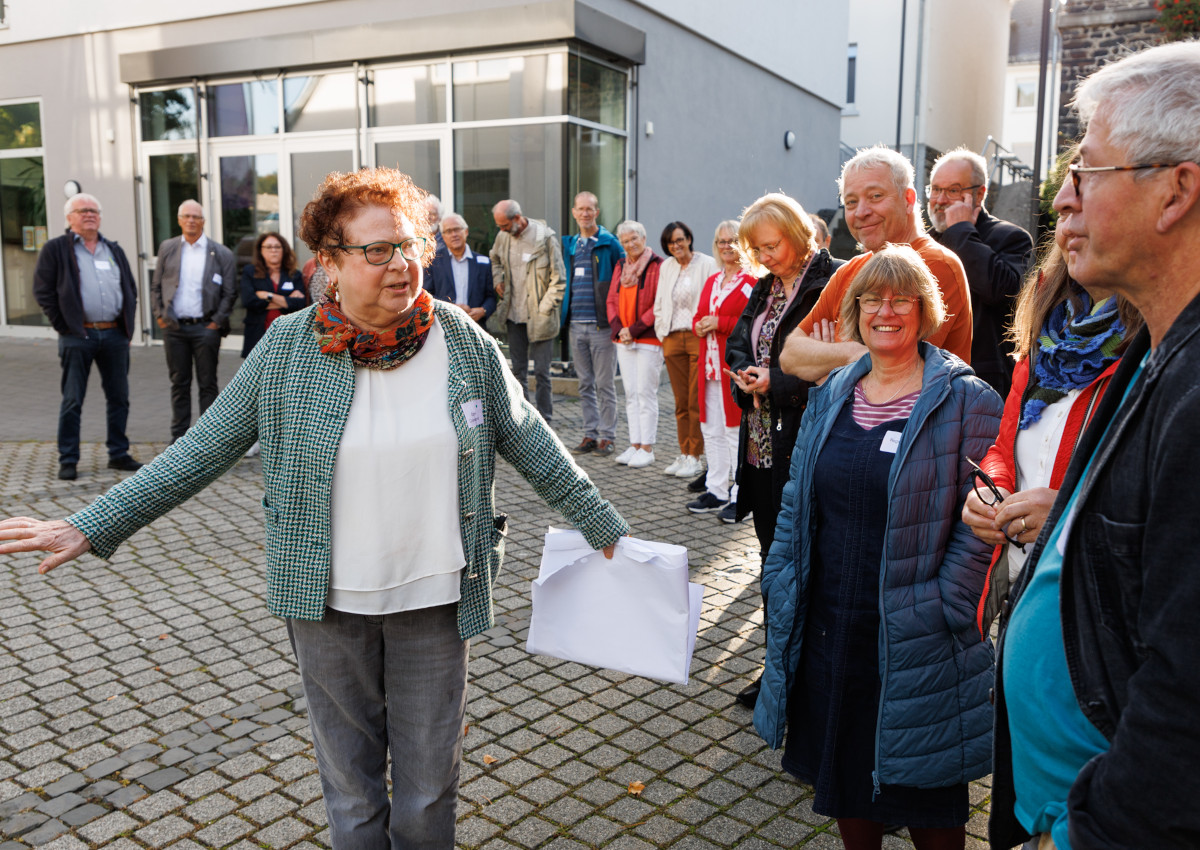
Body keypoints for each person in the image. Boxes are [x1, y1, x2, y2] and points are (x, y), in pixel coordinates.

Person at [0, 167, 629, 850]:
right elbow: (200, 451)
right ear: (328, 262)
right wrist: (91, 523)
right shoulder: (288, 348)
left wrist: (602, 524)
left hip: (437, 601)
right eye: (377, 250)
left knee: (427, 796)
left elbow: (531, 438)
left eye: (410, 244)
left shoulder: (463, 342)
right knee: (354, 798)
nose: (402, 263)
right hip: (328, 606)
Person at [988, 41, 1200, 850]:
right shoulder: (1157, 344)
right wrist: (1069, 513)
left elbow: (1187, 703)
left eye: (1085, 173)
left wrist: (1086, 834)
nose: (1062, 203)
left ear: (1176, 189)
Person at [756, 245, 1002, 850]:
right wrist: (781, 577)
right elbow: (796, 499)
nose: (885, 311)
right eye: (872, 299)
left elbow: (984, 523)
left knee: (928, 792)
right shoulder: (834, 390)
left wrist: (948, 604)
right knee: (841, 768)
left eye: (902, 299)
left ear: (925, 310)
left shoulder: (968, 401)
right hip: (829, 622)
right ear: (856, 310)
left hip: (917, 632)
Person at [962, 171, 1142, 635]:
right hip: (1024, 585)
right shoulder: (1049, 334)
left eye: (1081, 203)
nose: (1063, 211)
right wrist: (990, 494)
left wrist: (1068, 511)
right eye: (1063, 212)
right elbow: (1005, 448)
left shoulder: (1154, 347)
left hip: (1097, 606)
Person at [724, 192, 842, 708]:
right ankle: (778, 671)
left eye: (771, 246)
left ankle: (808, 678)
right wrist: (745, 378)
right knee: (773, 564)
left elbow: (839, 365)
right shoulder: (766, 287)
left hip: (808, 444)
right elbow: (736, 344)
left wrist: (779, 382)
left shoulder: (833, 280)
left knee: (810, 566)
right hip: (761, 446)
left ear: (797, 234)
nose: (765, 257)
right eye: (758, 249)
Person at [779, 145, 973, 384]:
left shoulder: (934, 264)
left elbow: (889, 375)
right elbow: (790, 355)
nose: (861, 212)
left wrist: (825, 369)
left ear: (909, 199)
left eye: (875, 196)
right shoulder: (849, 270)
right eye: (850, 202)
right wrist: (853, 353)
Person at [33, 193, 142, 481]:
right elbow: (43, 291)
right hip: (77, 335)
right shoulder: (56, 249)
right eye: (82, 210)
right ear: (69, 218)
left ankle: (118, 453)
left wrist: (127, 328)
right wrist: (65, 325)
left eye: (94, 210)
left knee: (119, 397)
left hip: (114, 334)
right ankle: (68, 458)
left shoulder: (112, 249)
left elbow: (129, 287)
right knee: (72, 399)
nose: (89, 214)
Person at [926, 147, 1035, 396]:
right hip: (928, 378)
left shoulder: (1010, 237)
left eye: (953, 190)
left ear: (979, 194)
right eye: (935, 189)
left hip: (981, 384)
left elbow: (1003, 291)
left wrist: (960, 230)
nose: (940, 200)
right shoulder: (925, 242)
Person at [150, 199, 238, 443]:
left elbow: (230, 292)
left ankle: (207, 439)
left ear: (203, 222)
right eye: (186, 216)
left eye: (196, 217)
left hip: (206, 328)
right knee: (179, 382)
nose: (191, 220)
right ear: (179, 220)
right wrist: (159, 315)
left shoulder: (221, 253)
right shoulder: (167, 248)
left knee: (208, 383)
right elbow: (156, 286)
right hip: (174, 328)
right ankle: (178, 437)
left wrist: (215, 323)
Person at [686, 221, 753, 521]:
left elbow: (749, 324)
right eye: (721, 241)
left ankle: (742, 495)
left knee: (734, 433)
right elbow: (699, 314)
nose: (727, 246)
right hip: (709, 366)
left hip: (732, 369)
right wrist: (699, 324)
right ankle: (717, 489)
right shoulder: (713, 280)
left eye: (732, 241)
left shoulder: (751, 281)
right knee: (710, 430)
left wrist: (719, 323)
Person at [489, 199, 566, 423]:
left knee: (542, 373)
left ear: (517, 218)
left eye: (504, 225)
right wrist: (497, 281)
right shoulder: (503, 237)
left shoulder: (545, 238)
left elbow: (559, 278)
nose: (501, 230)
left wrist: (545, 308)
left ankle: (546, 420)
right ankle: (525, 420)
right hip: (514, 315)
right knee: (518, 372)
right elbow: (494, 259)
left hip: (540, 317)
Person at [561, 192, 624, 457]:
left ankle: (607, 437)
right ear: (574, 213)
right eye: (581, 209)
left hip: (601, 328)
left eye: (590, 209)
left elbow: (623, 277)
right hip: (576, 325)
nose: (585, 214)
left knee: (605, 384)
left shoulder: (610, 244)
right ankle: (590, 433)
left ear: (597, 213)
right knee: (585, 384)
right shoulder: (570, 245)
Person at [653, 221, 717, 479]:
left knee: (694, 400)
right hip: (672, 338)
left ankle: (695, 456)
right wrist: (661, 333)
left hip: (696, 337)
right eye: (671, 243)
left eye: (680, 240)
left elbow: (713, 298)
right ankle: (684, 453)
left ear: (689, 238)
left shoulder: (707, 263)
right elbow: (659, 302)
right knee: (679, 401)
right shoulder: (666, 266)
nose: (676, 246)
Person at [606, 220, 664, 469]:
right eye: (625, 241)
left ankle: (647, 447)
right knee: (630, 394)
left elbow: (659, 303)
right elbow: (611, 299)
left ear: (643, 237)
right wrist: (620, 330)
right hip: (624, 339)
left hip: (648, 338)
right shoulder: (620, 265)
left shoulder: (658, 265)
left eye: (634, 239)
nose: (630, 244)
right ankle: (634, 444)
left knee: (645, 392)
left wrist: (635, 328)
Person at [240, 232, 307, 357]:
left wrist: (268, 295)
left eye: (277, 247)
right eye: (269, 247)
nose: (273, 251)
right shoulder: (250, 272)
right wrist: (287, 301)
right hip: (258, 333)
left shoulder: (294, 274)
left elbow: (300, 304)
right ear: (261, 251)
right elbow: (248, 301)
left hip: (287, 335)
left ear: (283, 250)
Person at [426, 213, 496, 325]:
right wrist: (451, 308)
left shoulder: (484, 262)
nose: (454, 234)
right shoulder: (433, 262)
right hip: (444, 325)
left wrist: (483, 310)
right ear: (443, 237)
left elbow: (491, 297)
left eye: (457, 229)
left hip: (476, 325)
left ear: (466, 232)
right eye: (448, 231)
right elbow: (427, 295)